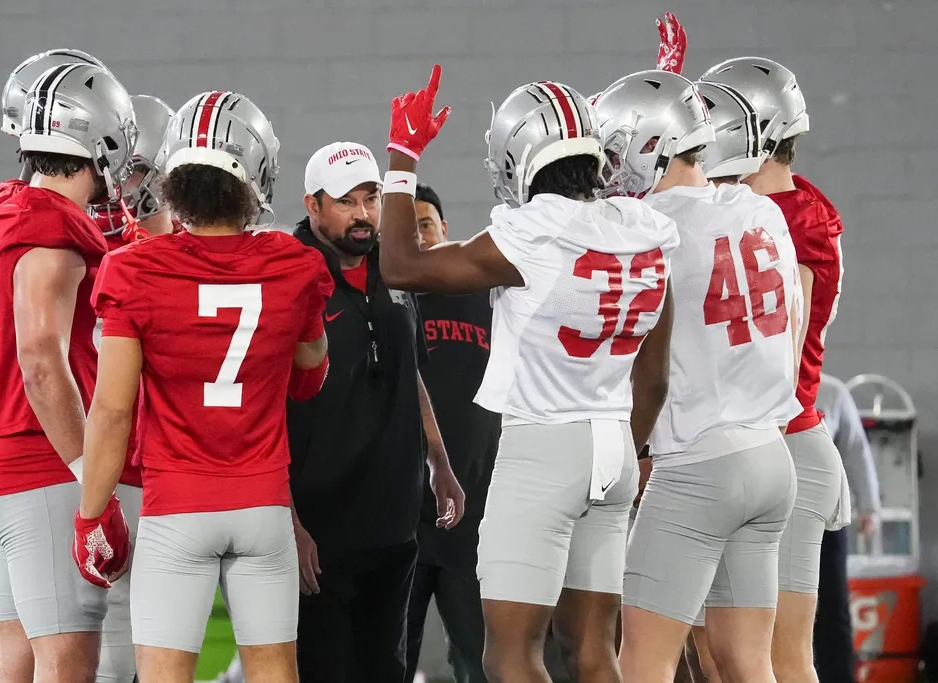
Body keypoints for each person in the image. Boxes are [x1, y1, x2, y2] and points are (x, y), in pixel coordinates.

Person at [379, 65, 679, 683]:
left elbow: (401, 266)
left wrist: (403, 159)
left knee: (512, 655)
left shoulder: (532, 233)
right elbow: (654, 380)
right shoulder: (643, 229)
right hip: (616, 446)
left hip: (543, 447)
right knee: (595, 653)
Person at [76, 90, 331, 683]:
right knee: (275, 672)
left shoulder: (134, 270)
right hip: (263, 504)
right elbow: (312, 372)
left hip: (177, 506)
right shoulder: (292, 263)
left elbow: (112, 411)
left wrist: (92, 515)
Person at [595, 69, 802, 683]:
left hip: (700, 466)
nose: (607, 170)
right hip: (771, 456)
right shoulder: (760, 209)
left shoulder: (647, 230)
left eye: (613, 151)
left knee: (643, 663)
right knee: (748, 662)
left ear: (644, 146)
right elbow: (791, 330)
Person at [0, 62, 136, 683]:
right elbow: (39, 358)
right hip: (43, 467)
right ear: (103, 141)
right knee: (66, 661)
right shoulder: (52, 226)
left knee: (19, 657)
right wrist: (94, 483)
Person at [286, 139, 464, 683]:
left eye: (371, 198)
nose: (362, 215)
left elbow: (408, 370)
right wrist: (287, 521)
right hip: (320, 529)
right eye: (346, 202)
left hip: (393, 522)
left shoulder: (394, 267)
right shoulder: (288, 274)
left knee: (388, 672)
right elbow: (264, 401)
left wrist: (439, 461)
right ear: (312, 205)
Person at [701, 56, 849, 683]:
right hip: (746, 448)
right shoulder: (763, 203)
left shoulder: (796, 220)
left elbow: (784, 357)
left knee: (781, 659)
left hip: (785, 443)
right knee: (719, 657)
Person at [87, 92, 176, 683]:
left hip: (168, 466)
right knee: (103, 628)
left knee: (164, 641)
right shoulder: (81, 246)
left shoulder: (183, 256)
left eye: (143, 172)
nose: (132, 186)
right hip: (105, 463)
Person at [404, 183, 500, 683]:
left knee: (480, 663)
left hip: (477, 522)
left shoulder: (489, 299)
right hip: (406, 523)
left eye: (425, 224)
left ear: (445, 230)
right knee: (392, 661)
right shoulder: (389, 311)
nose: (417, 237)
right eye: (406, 228)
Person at [813, 373, 881, 683]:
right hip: (776, 519)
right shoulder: (765, 383)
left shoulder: (832, 392)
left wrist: (869, 507)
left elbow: (856, 450)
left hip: (826, 520)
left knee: (832, 608)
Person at [94, 94, 178, 246]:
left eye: (127, 172)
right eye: (108, 171)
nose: (112, 185)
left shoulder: (194, 255)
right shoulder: (80, 252)